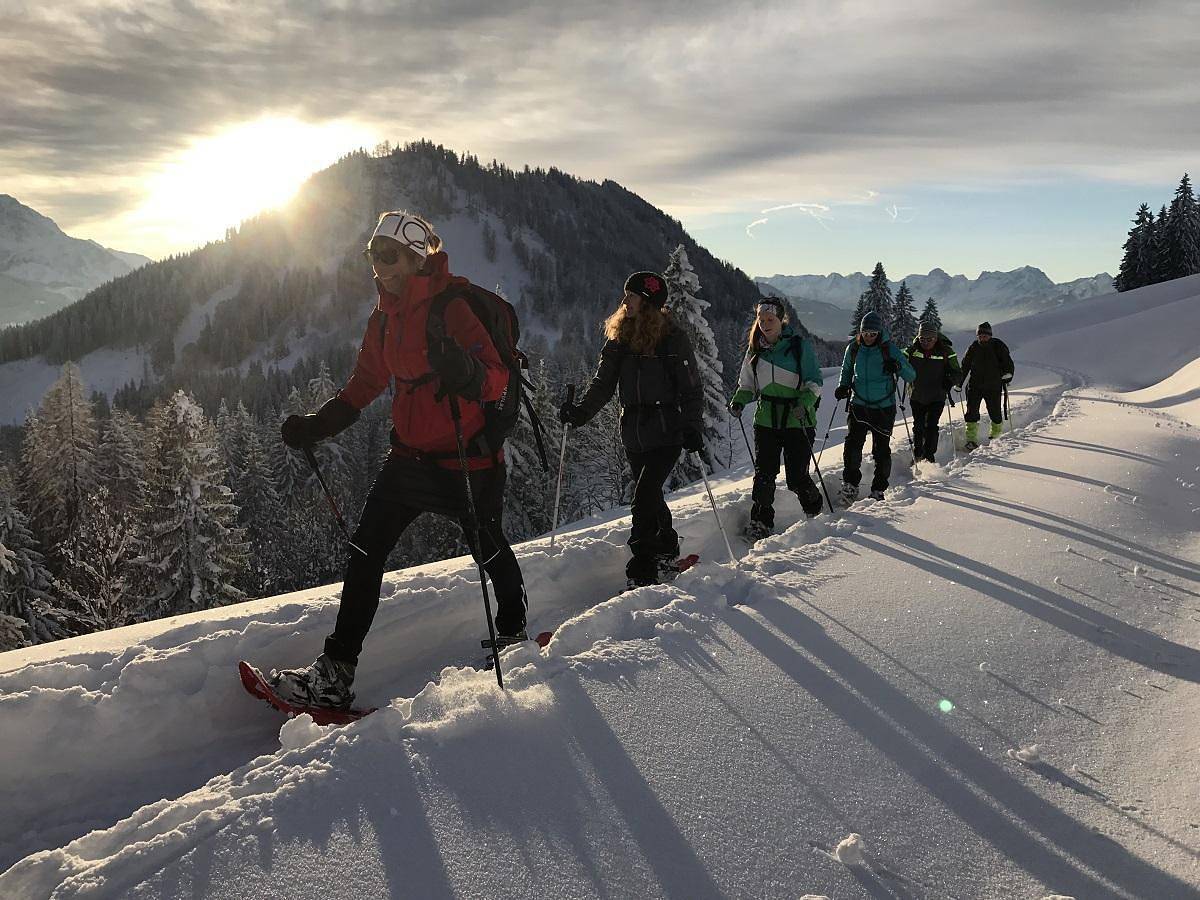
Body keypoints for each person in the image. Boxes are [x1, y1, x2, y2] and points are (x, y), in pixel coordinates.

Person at [270, 211, 529, 710]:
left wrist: (468, 374)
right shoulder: (383, 317)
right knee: (365, 552)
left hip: (466, 457)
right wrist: (318, 425)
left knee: (487, 544)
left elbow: (496, 378)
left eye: (387, 255)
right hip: (408, 458)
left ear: (415, 258)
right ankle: (334, 674)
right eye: (372, 253)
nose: (377, 264)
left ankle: (514, 630)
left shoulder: (453, 307)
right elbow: (366, 383)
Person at [559, 272, 703, 588]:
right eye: (626, 295)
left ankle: (643, 567)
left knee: (643, 498)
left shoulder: (672, 340)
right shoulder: (620, 341)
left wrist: (692, 425)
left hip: (667, 432)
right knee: (651, 496)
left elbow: (691, 389)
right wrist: (580, 413)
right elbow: (603, 384)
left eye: (632, 296)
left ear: (648, 303)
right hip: (634, 434)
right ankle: (667, 547)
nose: (625, 301)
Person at [728, 298, 824, 539]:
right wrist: (739, 400)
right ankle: (760, 522)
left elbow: (814, 381)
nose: (765, 324)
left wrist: (804, 404)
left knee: (796, 477)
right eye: (761, 320)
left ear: (782, 320)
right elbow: (747, 384)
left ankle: (815, 511)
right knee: (764, 474)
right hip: (766, 419)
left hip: (797, 418)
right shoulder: (755, 349)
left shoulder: (798, 346)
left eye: (770, 319)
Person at [834, 310, 916, 502]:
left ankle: (878, 489)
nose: (869, 337)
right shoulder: (853, 349)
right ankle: (850, 485)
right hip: (858, 404)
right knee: (852, 447)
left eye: (873, 334)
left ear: (879, 333)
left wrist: (897, 366)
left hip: (883, 407)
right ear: (860, 332)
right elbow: (846, 370)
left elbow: (911, 375)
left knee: (881, 450)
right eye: (866, 333)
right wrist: (843, 386)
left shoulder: (889, 349)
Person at [902, 319, 962, 463]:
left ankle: (929, 455)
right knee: (918, 426)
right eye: (923, 338)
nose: (926, 342)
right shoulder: (912, 350)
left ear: (936, 338)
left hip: (937, 395)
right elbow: (900, 359)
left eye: (930, 339)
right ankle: (918, 454)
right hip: (917, 394)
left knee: (931, 426)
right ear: (918, 337)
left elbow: (957, 373)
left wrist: (950, 381)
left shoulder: (947, 352)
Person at [959, 321, 1014, 450]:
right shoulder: (973, 347)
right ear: (977, 336)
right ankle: (971, 439)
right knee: (971, 412)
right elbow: (965, 366)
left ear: (990, 335)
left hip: (993, 385)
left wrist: (1008, 375)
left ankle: (995, 436)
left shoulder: (998, 346)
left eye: (985, 335)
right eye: (980, 335)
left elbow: (1008, 362)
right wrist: (959, 383)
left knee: (994, 412)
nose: (983, 337)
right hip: (974, 386)